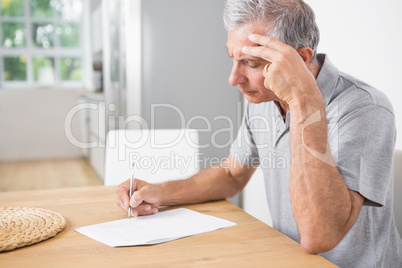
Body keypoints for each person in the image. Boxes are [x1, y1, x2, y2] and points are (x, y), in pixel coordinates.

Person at [116, 0, 402, 266]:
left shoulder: (366, 109)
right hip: (289, 258)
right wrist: (158, 193)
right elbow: (231, 175)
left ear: (300, 60)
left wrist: (303, 99)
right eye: (233, 59)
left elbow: (319, 236)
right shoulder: (264, 97)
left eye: (251, 64)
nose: (233, 79)